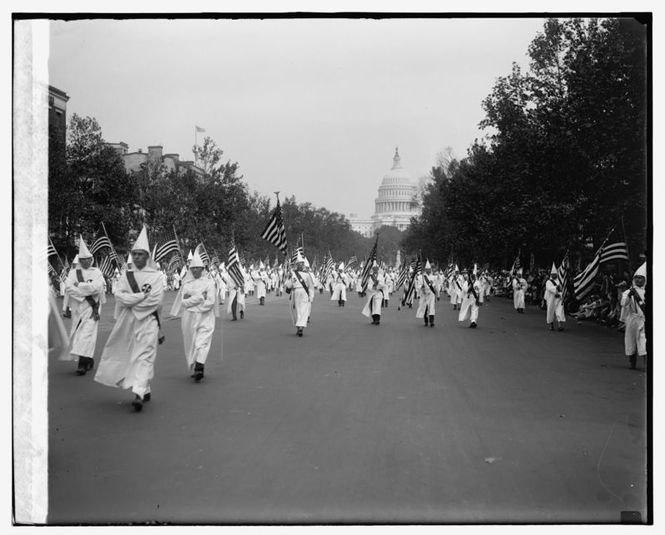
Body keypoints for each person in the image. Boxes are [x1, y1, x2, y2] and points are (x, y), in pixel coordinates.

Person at [94, 226, 165, 412]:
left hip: (148, 322)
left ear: (147, 256)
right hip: (128, 322)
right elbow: (119, 296)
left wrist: (132, 302)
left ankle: (139, 393)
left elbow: (155, 301)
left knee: (145, 356)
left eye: (141, 254)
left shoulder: (157, 277)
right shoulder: (126, 275)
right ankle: (145, 386)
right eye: (135, 254)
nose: (137, 257)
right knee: (132, 355)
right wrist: (140, 297)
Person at [170, 250, 218, 382]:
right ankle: (195, 363)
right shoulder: (186, 284)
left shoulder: (209, 283)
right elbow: (184, 302)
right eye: (193, 268)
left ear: (203, 269)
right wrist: (200, 297)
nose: (196, 270)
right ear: (190, 269)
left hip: (205, 317)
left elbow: (210, 302)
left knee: (202, 342)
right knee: (191, 343)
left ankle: (199, 367)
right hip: (189, 318)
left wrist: (194, 300)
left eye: (198, 268)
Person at [62, 237, 106, 375]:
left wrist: (80, 285)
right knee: (80, 334)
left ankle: (82, 364)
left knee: (87, 334)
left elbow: (98, 288)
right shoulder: (73, 273)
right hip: (78, 308)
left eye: (88, 258)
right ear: (80, 260)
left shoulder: (97, 272)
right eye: (83, 259)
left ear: (91, 259)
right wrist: (86, 290)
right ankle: (88, 360)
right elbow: (69, 288)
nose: (86, 261)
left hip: (93, 308)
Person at [621, 262, 647, 370]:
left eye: (641, 278)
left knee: (644, 342)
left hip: (644, 320)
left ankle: (646, 364)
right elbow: (623, 303)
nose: (638, 280)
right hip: (632, 319)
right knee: (631, 341)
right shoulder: (628, 291)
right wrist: (629, 296)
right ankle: (632, 362)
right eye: (636, 278)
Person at [285, 254, 314, 336]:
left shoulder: (307, 275)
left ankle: (300, 327)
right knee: (298, 309)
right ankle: (300, 326)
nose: (300, 265)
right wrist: (288, 277)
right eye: (299, 264)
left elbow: (311, 287)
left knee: (303, 309)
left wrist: (311, 296)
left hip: (304, 292)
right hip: (296, 292)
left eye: (301, 263)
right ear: (297, 265)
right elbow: (288, 285)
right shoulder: (293, 274)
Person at [416, 260, 438, 327]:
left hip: (431, 294)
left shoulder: (434, 277)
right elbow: (418, 285)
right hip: (424, 294)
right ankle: (426, 321)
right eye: (427, 269)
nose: (428, 270)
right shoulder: (421, 277)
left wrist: (437, 295)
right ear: (425, 270)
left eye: (429, 269)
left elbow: (436, 286)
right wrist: (421, 286)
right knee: (425, 308)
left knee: (432, 308)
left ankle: (431, 322)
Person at [544, 263, 566, 331]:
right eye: (553, 274)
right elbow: (549, 288)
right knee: (550, 311)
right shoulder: (548, 281)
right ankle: (551, 324)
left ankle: (560, 325)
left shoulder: (560, 281)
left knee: (560, 311)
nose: (554, 275)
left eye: (555, 274)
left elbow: (562, 289)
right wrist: (557, 287)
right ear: (551, 275)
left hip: (558, 298)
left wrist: (560, 293)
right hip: (551, 299)